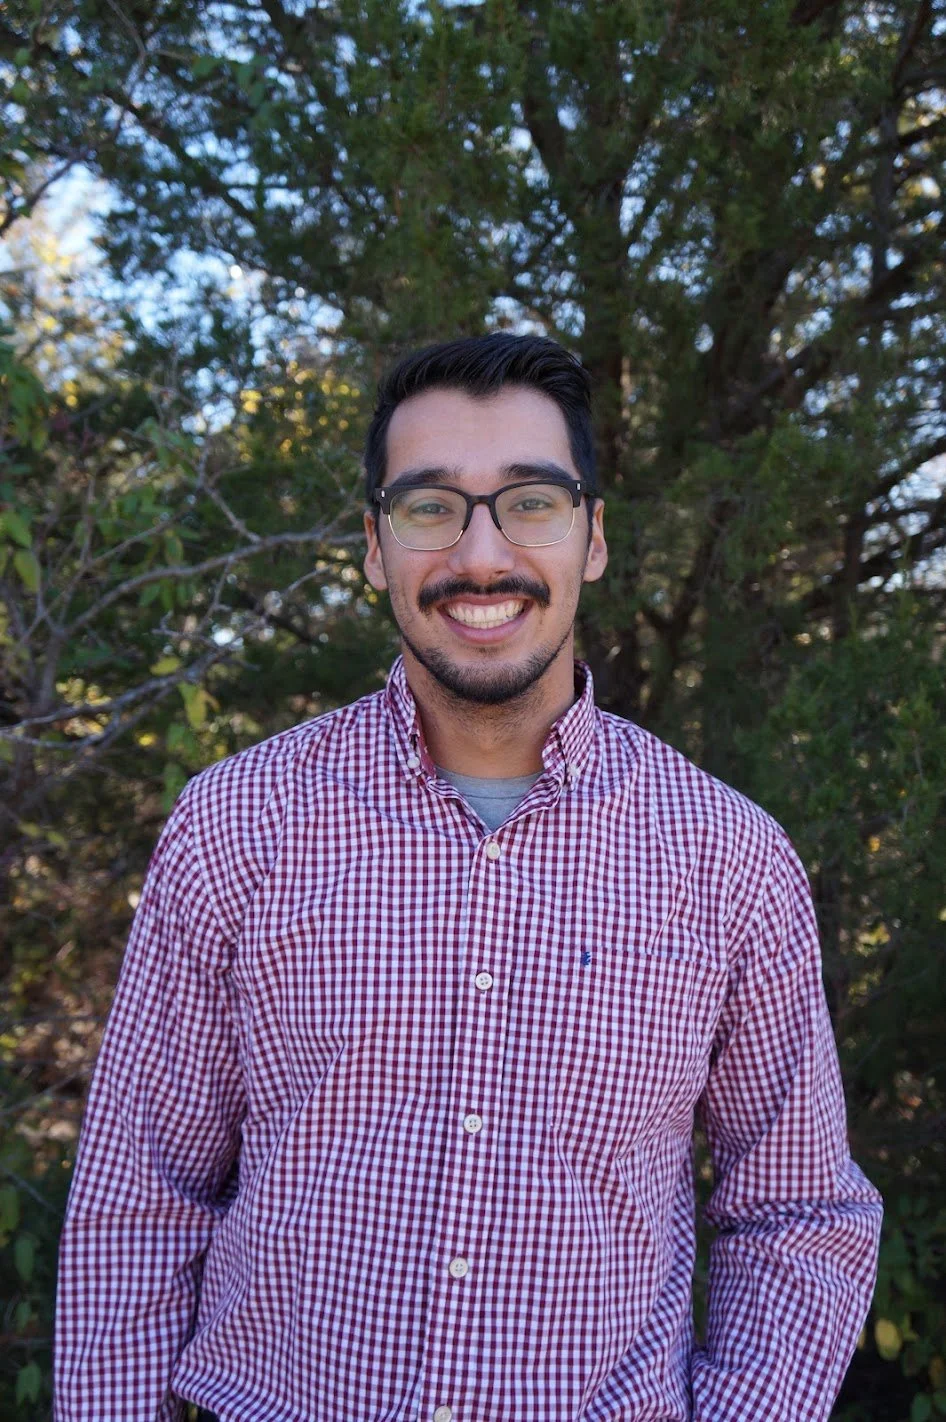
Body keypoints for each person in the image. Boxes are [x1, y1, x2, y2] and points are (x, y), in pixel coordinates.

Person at [55, 334, 882, 1422]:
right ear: (373, 545)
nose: (481, 555)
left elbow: (797, 1214)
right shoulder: (236, 824)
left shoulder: (730, 859)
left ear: (592, 537)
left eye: (530, 502)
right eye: (430, 506)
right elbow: (140, 1201)